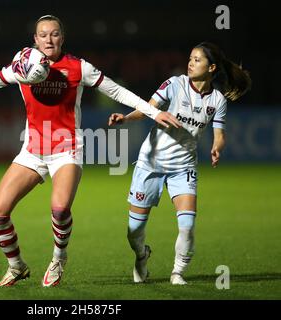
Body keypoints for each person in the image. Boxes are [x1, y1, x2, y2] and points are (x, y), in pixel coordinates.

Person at [0, 14, 180, 287]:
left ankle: (58, 259)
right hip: (32, 151)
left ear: (62, 38)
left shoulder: (78, 68)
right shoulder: (22, 67)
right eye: (43, 34)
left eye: (54, 34)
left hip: (68, 149)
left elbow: (117, 91)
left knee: (60, 208)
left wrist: (152, 112)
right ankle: (16, 266)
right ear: (35, 40)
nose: (49, 39)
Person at [108, 42, 251, 285]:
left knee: (187, 224)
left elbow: (219, 133)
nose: (191, 63)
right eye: (190, 58)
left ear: (212, 67)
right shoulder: (175, 84)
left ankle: (177, 273)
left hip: (183, 167)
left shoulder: (217, 100)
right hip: (150, 164)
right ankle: (142, 255)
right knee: (134, 231)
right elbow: (147, 109)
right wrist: (125, 118)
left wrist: (218, 146)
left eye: (197, 60)